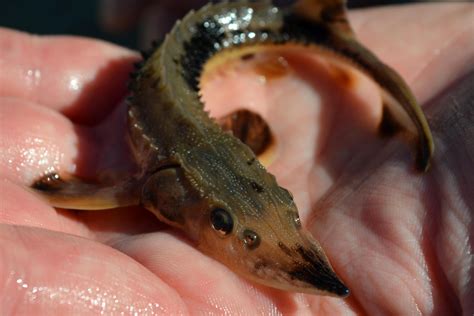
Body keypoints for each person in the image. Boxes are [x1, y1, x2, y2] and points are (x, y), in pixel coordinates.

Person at [0, 2, 472, 314]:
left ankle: (319, 31)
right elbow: (246, 130)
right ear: (159, 192)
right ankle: (316, 32)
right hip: (187, 62)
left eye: (285, 204)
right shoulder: (155, 182)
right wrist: (57, 192)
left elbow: (248, 131)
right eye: (223, 223)